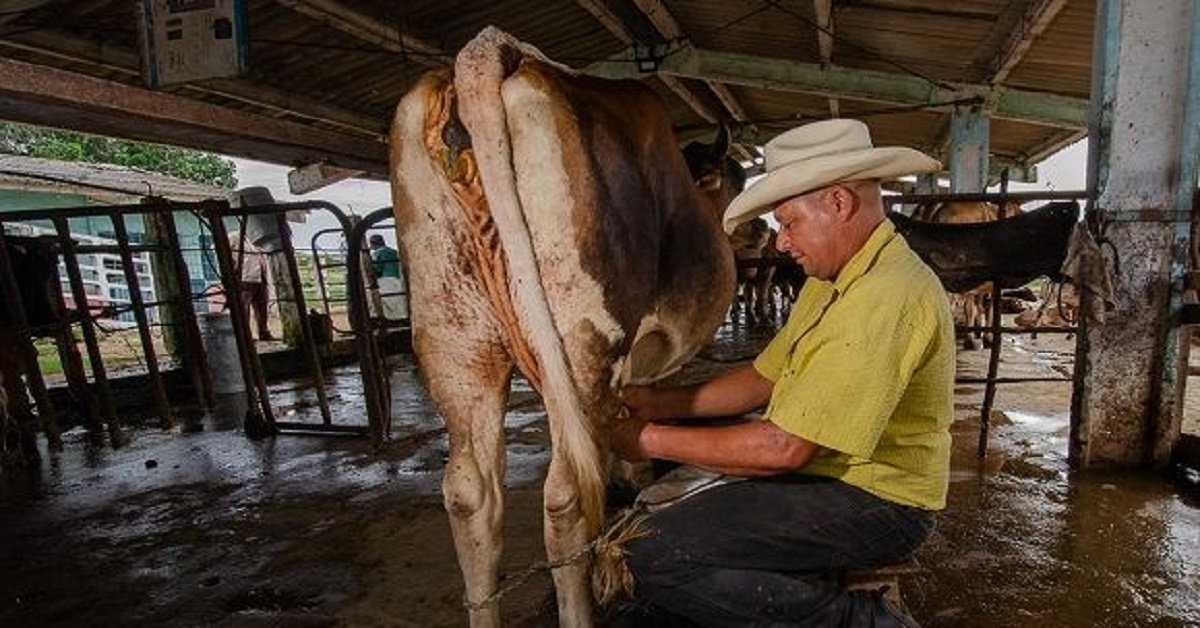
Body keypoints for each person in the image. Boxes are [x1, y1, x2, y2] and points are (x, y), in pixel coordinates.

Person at [609, 119, 956, 627]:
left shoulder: (887, 294)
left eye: (788, 223)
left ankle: (865, 622)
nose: (780, 244)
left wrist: (648, 438)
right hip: (828, 475)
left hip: (883, 502)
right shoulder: (835, 274)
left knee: (650, 554)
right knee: (659, 555)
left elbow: (784, 448)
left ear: (838, 203)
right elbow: (765, 376)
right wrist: (656, 404)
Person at [229, 231, 274, 341]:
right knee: (244, 308)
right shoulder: (234, 236)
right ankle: (245, 335)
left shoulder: (255, 239)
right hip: (245, 278)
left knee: (262, 306)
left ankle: (263, 332)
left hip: (260, 277)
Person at [368, 233, 409, 321]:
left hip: (386, 280)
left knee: (374, 295)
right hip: (399, 279)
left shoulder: (378, 253)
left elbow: (377, 269)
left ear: (373, 244)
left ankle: (379, 317)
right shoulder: (395, 252)